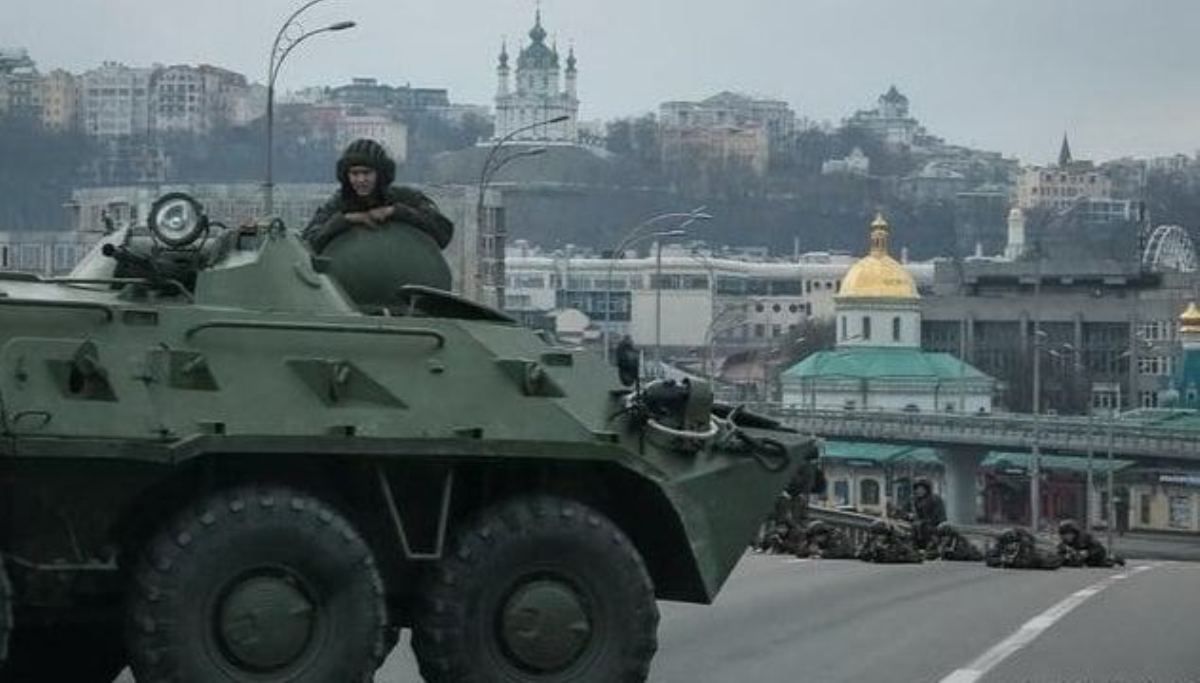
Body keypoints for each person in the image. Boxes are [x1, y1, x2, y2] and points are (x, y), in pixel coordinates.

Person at [303, 138, 453, 254]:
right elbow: (307, 243)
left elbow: (443, 231)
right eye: (354, 174)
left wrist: (396, 212)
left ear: (380, 174)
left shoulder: (405, 197)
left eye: (367, 173)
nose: (361, 180)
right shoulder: (338, 203)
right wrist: (346, 220)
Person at [1057, 519, 1125, 568]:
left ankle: (1114, 558)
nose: (1065, 537)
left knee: (1104, 563)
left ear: (1074, 533)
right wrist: (1065, 555)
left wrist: (1087, 552)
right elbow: (1060, 552)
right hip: (1080, 559)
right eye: (1063, 534)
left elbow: (1099, 548)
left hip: (1094, 557)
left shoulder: (1085, 538)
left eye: (1067, 534)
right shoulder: (1063, 543)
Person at [985, 528, 1062, 570]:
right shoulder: (1000, 547)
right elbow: (989, 558)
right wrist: (1002, 560)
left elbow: (1054, 562)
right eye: (1008, 545)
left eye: (1013, 544)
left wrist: (1015, 561)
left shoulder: (1030, 553)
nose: (1010, 547)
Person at [858, 519, 923, 564]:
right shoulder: (871, 539)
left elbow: (903, 548)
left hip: (895, 552)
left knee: (909, 555)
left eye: (882, 534)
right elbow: (860, 553)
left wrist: (893, 539)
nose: (880, 537)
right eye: (877, 534)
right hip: (883, 553)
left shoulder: (895, 538)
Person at [910, 479, 947, 553]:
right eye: (917, 489)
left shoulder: (935, 499)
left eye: (921, 489)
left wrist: (923, 522)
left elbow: (938, 516)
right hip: (921, 525)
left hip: (935, 525)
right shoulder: (916, 501)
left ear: (926, 489)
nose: (919, 491)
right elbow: (917, 516)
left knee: (924, 528)